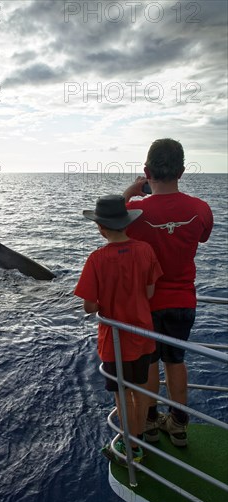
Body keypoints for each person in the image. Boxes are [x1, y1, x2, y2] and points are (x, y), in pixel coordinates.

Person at [124, 138, 214, 447]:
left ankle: (149, 423)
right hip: (184, 302)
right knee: (175, 361)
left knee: (149, 362)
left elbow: (107, 224)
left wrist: (132, 191)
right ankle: (178, 425)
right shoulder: (200, 209)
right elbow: (202, 237)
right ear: (183, 171)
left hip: (147, 303)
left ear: (147, 172)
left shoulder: (135, 210)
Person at [74, 195, 163, 463]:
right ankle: (138, 440)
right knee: (138, 391)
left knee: (121, 396)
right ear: (127, 223)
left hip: (115, 342)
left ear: (100, 227)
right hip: (143, 336)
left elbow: (89, 307)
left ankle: (130, 447)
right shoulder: (146, 250)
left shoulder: (96, 259)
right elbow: (149, 291)